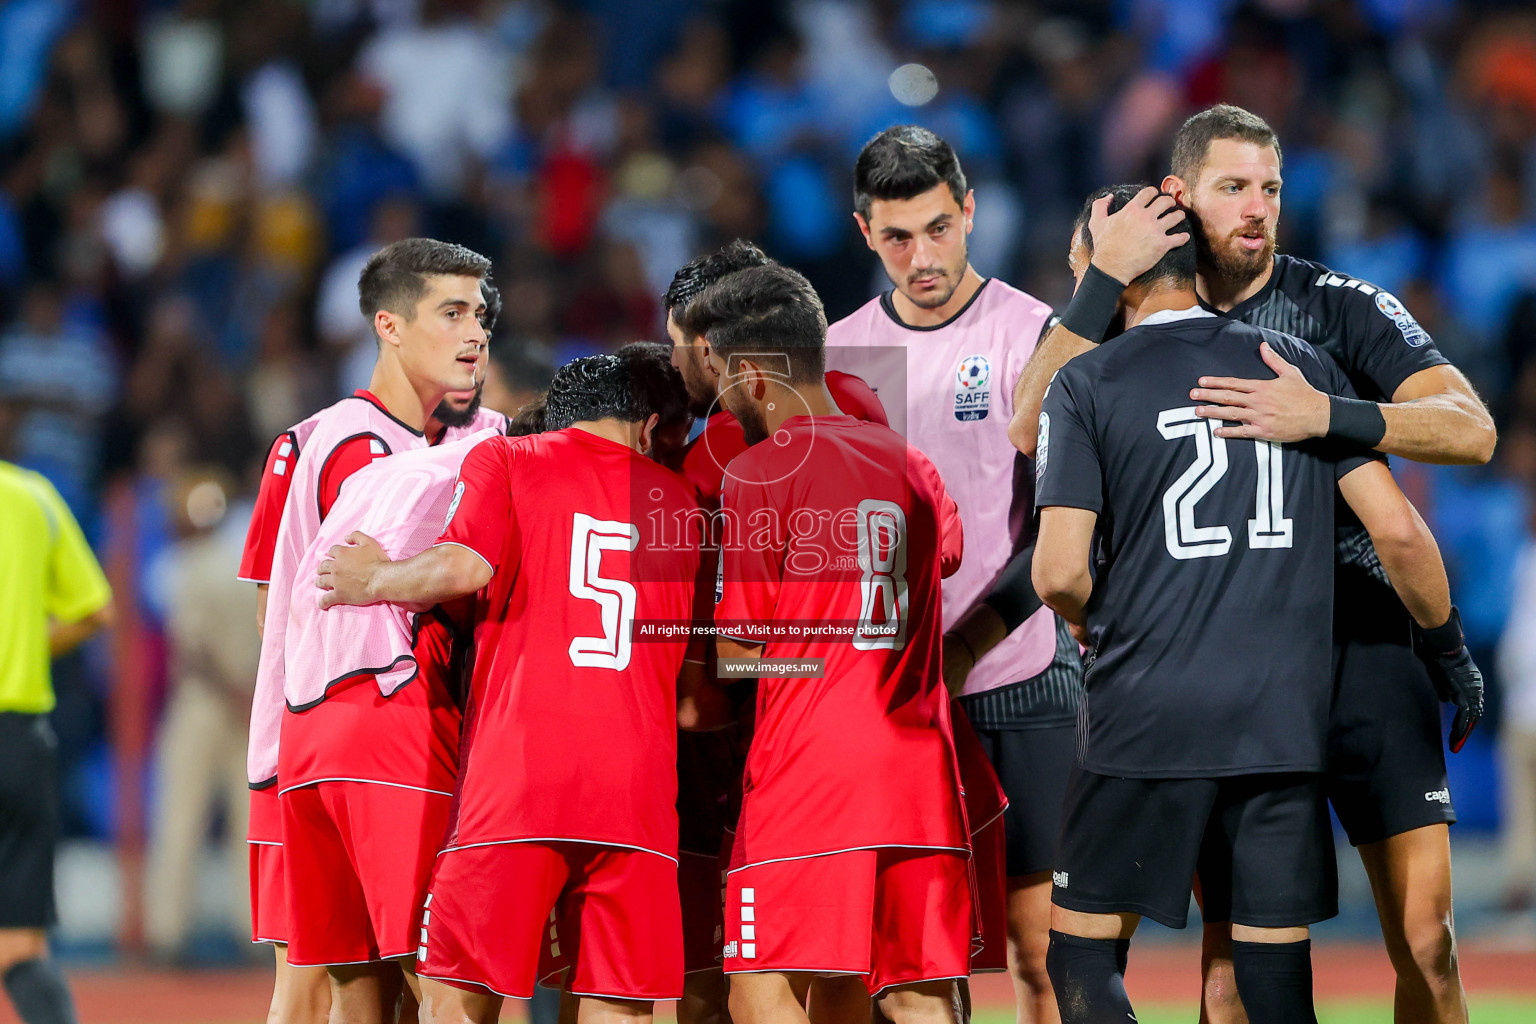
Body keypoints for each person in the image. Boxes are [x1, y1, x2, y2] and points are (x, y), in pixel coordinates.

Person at [1010, 105, 1493, 1024]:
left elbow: (1473, 430)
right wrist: (1099, 277)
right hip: (1229, 653)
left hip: (1358, 643)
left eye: (1269, 187)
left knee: (1426, 941)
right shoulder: (1116, 315)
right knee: (1233, 967)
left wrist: (1331, 416)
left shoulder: (1330, 309)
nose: (1258, 208)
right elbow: (1028, 426)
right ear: (1177, 199)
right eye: (1233, 188)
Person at [316, 352, 709, 1024]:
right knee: (620, 1007)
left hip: (521, 783)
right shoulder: (682, 503)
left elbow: (465, 566)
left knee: (458, 998)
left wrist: (374, 578)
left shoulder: (510, 460)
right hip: (639, 794)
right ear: (646, 429)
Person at [823, 125, 1074, 1021]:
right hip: (898, 696)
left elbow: (1054, 529)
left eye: (938, 228)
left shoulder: (1028, 331)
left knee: (1045, 954)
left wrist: (965, 648)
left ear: (969, 211)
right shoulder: (843, 355)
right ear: (864, 233)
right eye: (897, 237)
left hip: (1019, 678)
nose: (921, 256)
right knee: (923, 961)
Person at [679, 262, 971, 1024]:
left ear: (751, 374)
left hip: (811, 773)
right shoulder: (913, 462)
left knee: (762, 985)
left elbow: (741, 654)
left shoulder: (756, 473)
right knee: (912, 993)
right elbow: (945, 557)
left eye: (721, 380)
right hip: (920, 773)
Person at [240, 238, 500, 1024]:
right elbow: (296, 600)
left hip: (300, 739)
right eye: (451, 313)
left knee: (337, 982)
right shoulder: (369, 450)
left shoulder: (317, 437)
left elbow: (271, 599)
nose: (476, 333)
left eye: (481, 315)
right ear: (388, 325)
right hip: (381, 729)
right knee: (428, 975)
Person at [661, 240, 891, 1024]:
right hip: (855, 729)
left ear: (715, 346)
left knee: (739, 978)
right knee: (850, 968)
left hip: (762, 742)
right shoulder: (856, 404)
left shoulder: (711, 462)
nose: (680, 366)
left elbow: (716, 641)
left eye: (681, 345)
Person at [0, 455, 113, 1024]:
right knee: (19, 949)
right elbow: (96, 610)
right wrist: (20, 647)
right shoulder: (33, 496)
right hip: (20, 739)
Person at [146, 468, 259, 959]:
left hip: (202, 701)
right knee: (249, 824)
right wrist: (248, 691)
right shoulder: (251, 562)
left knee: (179, 819)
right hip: (251, 704)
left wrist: (231, 689)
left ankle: (167, 934)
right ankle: (255, 932)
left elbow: (190, 647)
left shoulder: (182, 565)